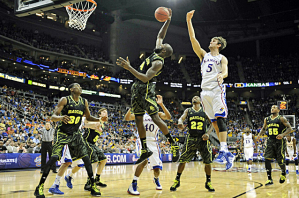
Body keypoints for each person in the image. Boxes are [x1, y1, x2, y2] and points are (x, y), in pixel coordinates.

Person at [116, 8, 179, 164]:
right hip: (136, 89)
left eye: (163, 44)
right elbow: (160, 35)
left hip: (145, 90)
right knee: (138, 119)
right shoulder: (156, 51)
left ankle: (173, 144)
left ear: (164, 50)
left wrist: (129, 67)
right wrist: (168, 21)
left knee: (155, 118)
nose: (161, 42)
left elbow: (144, 78)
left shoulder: (158, 62)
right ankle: (144, 149)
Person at [34, 83, 102, 198]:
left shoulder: (84, 101)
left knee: (86, 158)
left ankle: (93, 185)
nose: (80, 87)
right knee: (54, 157)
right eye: (77, 86)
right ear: (71, 89)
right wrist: (61, 117)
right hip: (62, 133)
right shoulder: (65, 100)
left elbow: (89, 117)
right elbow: (53, 116)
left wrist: (99, 119)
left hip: (76, 134)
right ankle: (39, 187)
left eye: (81, 86)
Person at [186, 10, 234, 170]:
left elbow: (226, 70)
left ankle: (224, 149)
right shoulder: (203, 55)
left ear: (218, 45)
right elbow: (193, 39)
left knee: (220, 119)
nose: (210, 42)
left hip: (216, 90)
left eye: (213, 41)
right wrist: (188, 20)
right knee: (213, 121)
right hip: (204, 92)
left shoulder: (222, 58)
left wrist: (222, 76)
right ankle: (227, 154)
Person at [49, 108, 108, 195]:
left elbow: (85, 125)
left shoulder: (85, 119)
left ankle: (69, 176)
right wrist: (96, 124)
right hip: (71, 141)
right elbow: (86, 124)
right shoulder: (82, 118)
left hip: (78, 143)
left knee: (80, 164)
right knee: (67, 162)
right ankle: (55, 185)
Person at [124, 95, 171, 195]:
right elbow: (127, 118)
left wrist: (161, 104)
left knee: (157, 168)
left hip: (154, 142)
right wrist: (132, 107)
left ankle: (156, 179)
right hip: (142, 141)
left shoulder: (157, 114)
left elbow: (168, 117)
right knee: (144, 160)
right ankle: (133, 184)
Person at [170, 96, 215, 192]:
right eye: (193, 97)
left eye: (196, 97)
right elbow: (181, 118)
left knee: (208, 161)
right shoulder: (188, 110)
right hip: (191, 137)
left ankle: (208, 182)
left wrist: (208, 133)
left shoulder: (205, 110)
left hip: (202, 138)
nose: (194, 97)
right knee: (183, 160)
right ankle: (177, 180)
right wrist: (180, 122)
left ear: (200, 101)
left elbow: (212, 124)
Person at [257, 105, 293, 186]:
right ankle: (269, 179)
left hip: (280, 141)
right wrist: (259, 135)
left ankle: (283, 173)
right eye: (271, 107)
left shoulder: (281, 118)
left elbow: (289, 128)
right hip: (270, 141)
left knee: (280, 161)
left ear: (278, 110)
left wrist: (283, 135)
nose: (272, 108)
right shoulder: (267, 119)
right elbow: (263, 128)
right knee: (267, 158)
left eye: (274, 107)